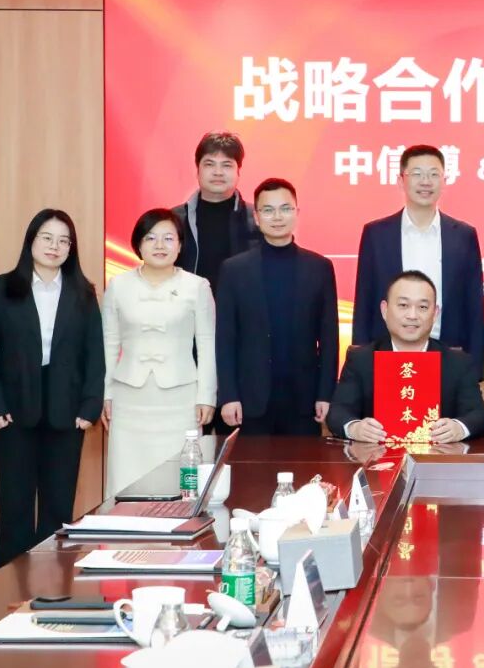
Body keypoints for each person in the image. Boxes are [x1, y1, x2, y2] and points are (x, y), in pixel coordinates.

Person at [0, 209, 104, 568]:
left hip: (67, 411)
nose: (55, 246)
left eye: (64, 241)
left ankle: (52, 590)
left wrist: (90, 406)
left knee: (58, 509)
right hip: (13, 411)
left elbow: (94, 352)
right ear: (31, 240)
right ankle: (7, 594)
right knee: (15, 508)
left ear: (71, 249)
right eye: (47, 237)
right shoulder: (4, 287)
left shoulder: (83, 292)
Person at [101, 208, 216, 497]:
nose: (160, 245)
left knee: (179, 482)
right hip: (129, 399)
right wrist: (106, 393)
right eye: (151, 238)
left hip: (181, 399)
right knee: (126, 480)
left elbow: (207, 344)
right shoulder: (118, 286)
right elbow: (109, 343)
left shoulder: (197, 286)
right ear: (138, 244)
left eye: (168, 238)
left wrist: (206, 396)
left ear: (180, 245)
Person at [216, 178, 339, 435]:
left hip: (304, 400)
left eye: (285, 208)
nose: (277, 217)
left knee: (305, 462)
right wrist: (228, 395)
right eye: (268, 210)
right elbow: (225, 338)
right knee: (252, 463)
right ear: (257, 217)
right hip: (250, 400)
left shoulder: (320, 267)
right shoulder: (234, 270)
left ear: (297, 212)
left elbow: (329, 338)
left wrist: (326, 394)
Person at [352, 145, 484, 379]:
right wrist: (359, 365)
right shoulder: (376, 234)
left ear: (444, 181)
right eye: (417, 174)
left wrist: (474, 369)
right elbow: (364, 301)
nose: (426, 182)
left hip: (449, 357)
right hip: (388, 357)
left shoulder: (464, 236)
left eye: (434, 174)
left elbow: (474, 307)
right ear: (400, 180)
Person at [327, 271, 484, 442]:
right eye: (403, 305)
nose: (412, 315)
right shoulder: (361, 359)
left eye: (422, 307)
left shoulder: (458, 362)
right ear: (384, 310)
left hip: (437, 456)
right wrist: (354, 428)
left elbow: (479, 417)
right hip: (375, 456)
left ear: (435, 313)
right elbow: (337, 413)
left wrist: (458, 428)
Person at [172, 131, 259, 294]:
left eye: (226, 165)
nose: (218, 172)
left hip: (242, 309)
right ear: (197, 170)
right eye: (209, 164)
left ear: (238, 171)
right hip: (187, 308)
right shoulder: (173, 220)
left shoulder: (257, 219)